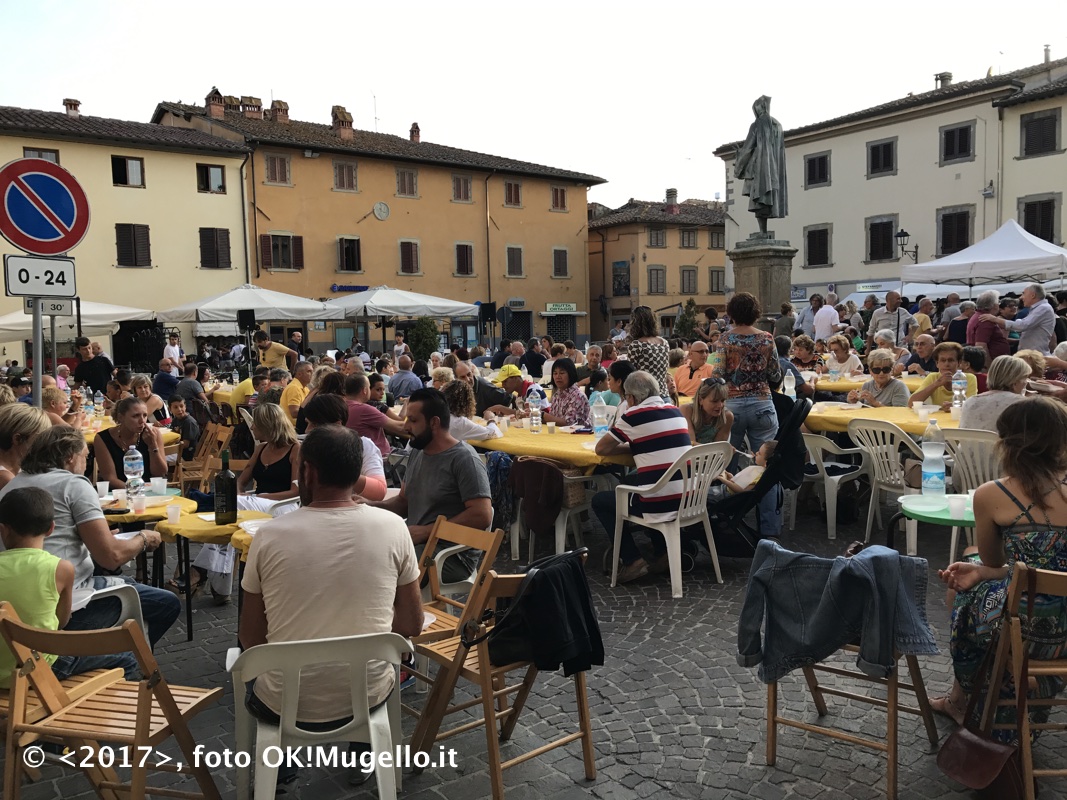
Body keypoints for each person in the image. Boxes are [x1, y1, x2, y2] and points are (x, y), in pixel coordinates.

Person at [240, 424, 421, 788]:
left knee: (262, 670)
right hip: (369, 692)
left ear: (309, 472)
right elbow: (411, 624)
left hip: (284, 701)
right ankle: (362, 753)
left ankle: (280, 765)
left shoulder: (268, 537)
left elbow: (250, 638)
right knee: (373, 656)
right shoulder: (393, 528)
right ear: (356, 476)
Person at [934, 398, 1067, 734]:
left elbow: (995, 561)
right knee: (975, 571)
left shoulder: (993, 494)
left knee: (965, 594)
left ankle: (964, 698)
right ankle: (1035, 691)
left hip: (1023, 629)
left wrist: (979, 569)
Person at [0, 426, 178, 646]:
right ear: (71, 458)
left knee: (129, 583)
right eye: (85, 457)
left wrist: (97, 537)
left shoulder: (13, 484)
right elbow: (110, 557)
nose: (85, 465)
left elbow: (60, 537)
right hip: (68, 600)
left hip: (20, 599)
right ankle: (129, 658)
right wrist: (143, 538)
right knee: (166, 603)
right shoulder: (73, 484)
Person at [372, 388, 492, 584]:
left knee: (380, 565)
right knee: (363, 550)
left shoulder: (464, 459)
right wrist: (365, 506)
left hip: (451, 555)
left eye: (413, 420)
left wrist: (427, 531)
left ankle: (405, 614)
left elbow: (482, 515)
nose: (405, 425)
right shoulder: (418, 452)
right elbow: (403, 502)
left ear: (434, 422)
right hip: (418, 544)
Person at [592, 371, 693, 582]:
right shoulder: (675, 411)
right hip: (689, 499)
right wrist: (639, 445)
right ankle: (663, 552)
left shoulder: (634, 416)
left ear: (631, 398)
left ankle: (632, 560)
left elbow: (601, 449)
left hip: (661, 503)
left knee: (600, 501)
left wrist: (633, 445)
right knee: (636, 483)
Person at [712, 292, 781, 535]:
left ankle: (727, 522)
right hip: (763, 403)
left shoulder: (724, 339)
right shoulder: (767, 338)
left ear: (731, 313)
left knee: (726, 463)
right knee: (768, 469)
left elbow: (717, 376)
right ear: (755, 312)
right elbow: (775, 375)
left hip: (732, 406)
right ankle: (770, 530)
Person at [302, 394, 387, 501]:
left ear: (337, 425)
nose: (307, 430)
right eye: (308, 423)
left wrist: (340, 472)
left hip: (353, 512)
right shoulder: (308, 447)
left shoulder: (363, 446)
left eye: (314, 424)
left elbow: (379, 491)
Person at [733, 94, 788, 234]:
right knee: (766, 200)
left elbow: (748, 148)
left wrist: (739, 162)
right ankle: (763, 232)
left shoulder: (757, 124)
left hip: (759, 169)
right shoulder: (777, 125)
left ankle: (763, 231)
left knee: (759, 200)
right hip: (773, 171)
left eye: (755, 107)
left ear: (759, 107)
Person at [235, 403, 300, 514]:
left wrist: (258, 497)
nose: (252, 427)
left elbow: (296, 492)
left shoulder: (296, 449)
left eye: (254, 423)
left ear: (266, 425)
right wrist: (239, 493)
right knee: (227, 501)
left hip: (283, 505)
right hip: (258, 502)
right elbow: (240, 481)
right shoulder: (260, 448)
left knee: (233, 503)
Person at [94, 397, 167, 488]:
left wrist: (152, 446)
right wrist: (135, 490)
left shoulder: (153, 434)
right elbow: (110, 478)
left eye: (144, 415)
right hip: (119, 492)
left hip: (149, 489)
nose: (142, 421)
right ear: (121, 417)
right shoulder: (103, 438)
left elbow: (160, 473)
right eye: (135, 416)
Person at [980, 283, 1057, 355]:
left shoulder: (1043, 308)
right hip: (1032, 354)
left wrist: (995, 319)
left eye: (1023, 293)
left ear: (1033, 295)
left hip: (1034, 355)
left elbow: (1022, 325)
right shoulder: (1040, 308)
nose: (1021, 297)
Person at [958, 355, 1029, 432]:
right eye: (1025, 378)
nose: (1026, 382)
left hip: (968, 444)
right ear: (1015, 381)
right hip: (1000, 444)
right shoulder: (1022, 404)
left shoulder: (970, 401)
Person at [345, 375, 406, 456]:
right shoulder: (364, 410)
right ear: (365, 390)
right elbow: (399, 426)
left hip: (355, 455)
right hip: (380, 457)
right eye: (369, 387)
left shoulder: (341, 406)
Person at [909, 342, 978, 410]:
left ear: (959, 363)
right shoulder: (933, 377)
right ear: (937, 363)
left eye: (951, 360)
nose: (947, 364)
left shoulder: (969, 378)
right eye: (943, 360)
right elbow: (911, 403)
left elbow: (972, 405)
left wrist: (955, 406)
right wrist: (936, 384)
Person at [0, 404, 51, 491]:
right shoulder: (6, 479)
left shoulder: (16, 468)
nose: (43, 445)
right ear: (17, 439)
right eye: (38, 439)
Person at [625, 305, 670, 399]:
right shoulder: (664, 343)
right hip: (664, 395)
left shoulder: (637, 345)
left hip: (645, 397)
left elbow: (630, 375)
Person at [708, 441, 776, 502]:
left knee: (700, 493)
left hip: (727, 496)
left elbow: (741, 492)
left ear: (766, 462)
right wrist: (731, 478)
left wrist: (724, 480)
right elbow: (742, 483)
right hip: (725, 490)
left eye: (760, 453)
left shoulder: (759, 476)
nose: (756, 453)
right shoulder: (758, 471)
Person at [846, 349, 911, 408]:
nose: (881, 373)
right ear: (870, 371)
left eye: (886, 369)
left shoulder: (899, 387)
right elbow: (860, 408)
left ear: (891, 370)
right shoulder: (867, 386)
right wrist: (853, 401)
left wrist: (875, 403)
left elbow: (899, 413)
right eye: (876, 370)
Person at [681, 377, 733, 444]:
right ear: (700, 400)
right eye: (715, 401)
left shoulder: (727, 417)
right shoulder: (686, 410)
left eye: (722, 400)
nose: (720, 405)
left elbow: (718, 449)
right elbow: (690, 444)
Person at [543, 358, 591, 427]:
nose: (558, 377)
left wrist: (545, 416)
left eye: (562, 373)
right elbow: (553, 420)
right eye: (555, 373)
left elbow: (569, 423)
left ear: (571, 374)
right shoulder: (556, 395)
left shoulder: (578, 396)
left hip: (579, 435)